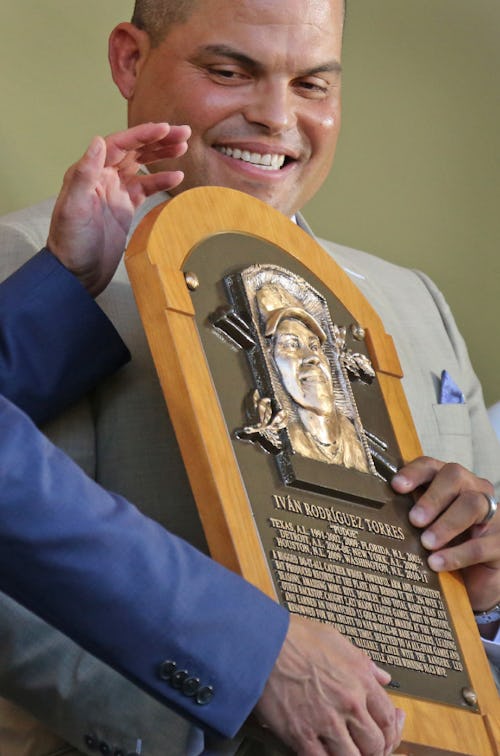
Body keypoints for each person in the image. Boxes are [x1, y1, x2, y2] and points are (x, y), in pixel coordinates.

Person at [0, 0, 498, 754]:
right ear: (131, 61)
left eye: (313, 84)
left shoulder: (412, 300)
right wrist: (230, 715)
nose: (275, 116)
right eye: (231, 72)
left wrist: (484, 593)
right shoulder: (30, 268)